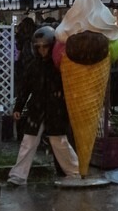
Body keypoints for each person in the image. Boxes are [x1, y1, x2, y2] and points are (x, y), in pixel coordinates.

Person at [7, 26, 80, 185]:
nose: (42, 50)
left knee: (59, 141)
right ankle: (18, 175)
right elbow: (25, 89)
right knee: (29, 141)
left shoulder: (59, 65)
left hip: (55, 109)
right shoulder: (35, 65)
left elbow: (69, 87)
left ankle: (74, 172)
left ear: (52, 46)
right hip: (39, 108)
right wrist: (18, 107)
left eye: (45, 46)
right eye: (38, 47)